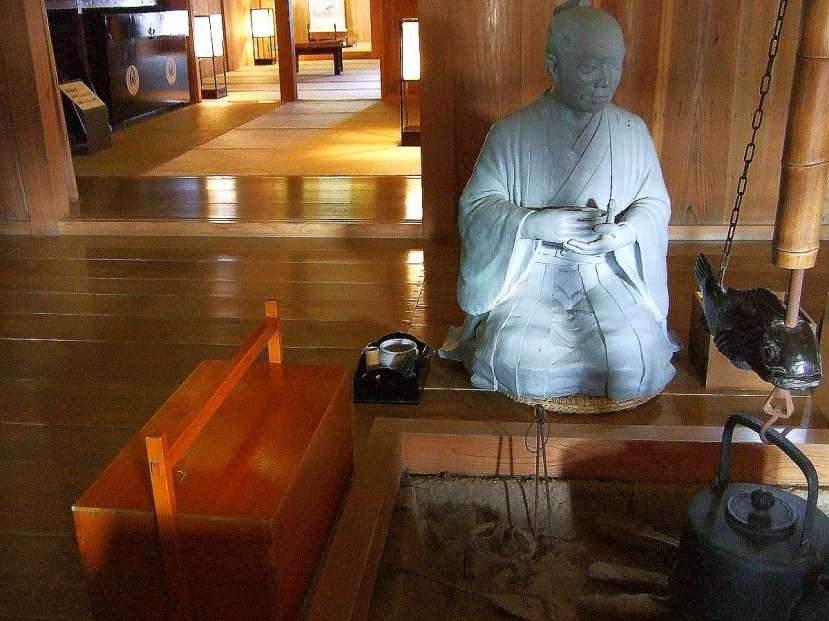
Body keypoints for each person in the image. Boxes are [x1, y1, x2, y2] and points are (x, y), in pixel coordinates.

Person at [439, 5, 678, 404]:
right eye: (589, 68)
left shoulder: (632, 132)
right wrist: (531, 225)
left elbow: (654, 203)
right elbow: (478, 205)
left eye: (613, 67)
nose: (605, 81)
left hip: (606, 271)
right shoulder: (511, 133)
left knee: (633, 364)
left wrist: (626, 232)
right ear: (554, 66)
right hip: (533, 271)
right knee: (518, 362)